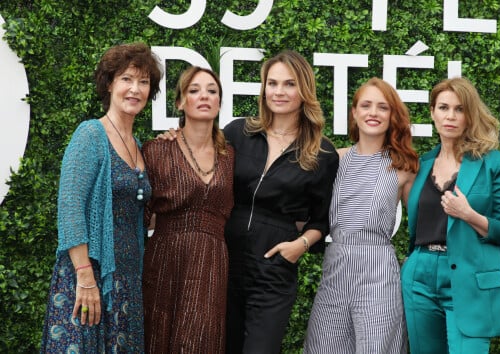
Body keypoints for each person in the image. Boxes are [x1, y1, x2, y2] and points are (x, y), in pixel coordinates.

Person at [40, 42, 162, 352]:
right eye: (126, 79)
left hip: (126, 280)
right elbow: (70, 209)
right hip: (88, 277)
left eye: (144, 81)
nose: (135, 89)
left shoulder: (137, 144)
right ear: (109, 84)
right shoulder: (90, 134)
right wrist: (85, 277)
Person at [222, 50, 339, 354]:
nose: (279, 92)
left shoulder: (322, 153)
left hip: (273, 270)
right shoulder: (238, 132)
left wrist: (298, 247)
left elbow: (322, 219)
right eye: (272, 83)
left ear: (304, 91)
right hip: (224, 261)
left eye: (289, 84)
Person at [401, 77, 500, 353]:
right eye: (443, 108)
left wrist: (469, 214)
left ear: (470, 115)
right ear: (432, 112)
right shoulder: (421, 164)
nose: (450, 116)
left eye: (459, 109)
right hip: (420, 274)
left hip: (470, 277)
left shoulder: (495, 164)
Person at [303, 77, 418, 354]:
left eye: (382, 107)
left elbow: (420, 227)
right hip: (336, 269)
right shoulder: (333, 160)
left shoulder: (404, 166)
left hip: (380, 273)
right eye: (366, 105)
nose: (373, 113)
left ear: (392, 116)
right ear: (354, 113)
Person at [141, 66, 234, 353]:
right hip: (165, 259)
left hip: (211, 261)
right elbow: (140, 215)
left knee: (201, 338)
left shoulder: (229, 154)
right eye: (194, 90)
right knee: (159, 335)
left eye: (212, 91)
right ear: (180, 103)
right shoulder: (156, 150)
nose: (204, 96)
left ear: (219, 102)